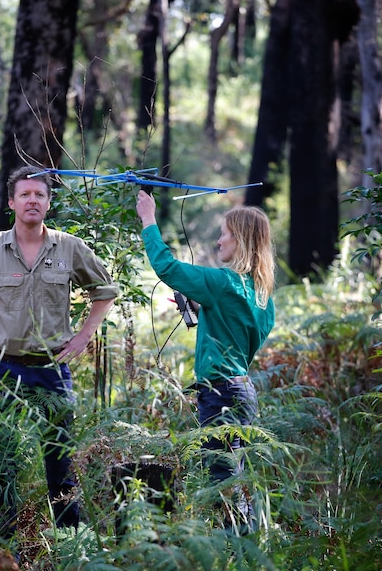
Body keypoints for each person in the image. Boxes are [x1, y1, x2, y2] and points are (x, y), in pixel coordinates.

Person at [0, 165, 118, 531]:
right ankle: (3, 537)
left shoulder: (70, 248)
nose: (33, 200)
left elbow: (105, 291)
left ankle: (68, 535)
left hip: (51, 367)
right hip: (1, 366)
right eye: (25, 195)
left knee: (60, 456)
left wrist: (83, 336)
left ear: (49, 203)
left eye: (40, 195)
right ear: (12, 202)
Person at [135, 189, 276, 533]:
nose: (218, 241)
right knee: (234, 474)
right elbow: (241, 336)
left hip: (220, 395)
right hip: (243, 392)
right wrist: (206, 311)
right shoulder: (261, 295)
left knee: (221, 479)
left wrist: (149, 220)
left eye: (224, 233)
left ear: (240, 240)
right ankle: (246, 545)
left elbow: (167, 267)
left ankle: (234, 547)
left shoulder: (223, 282)